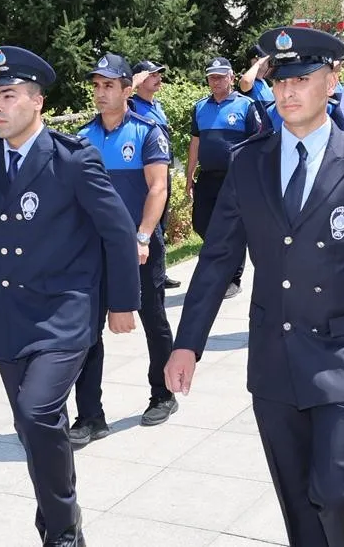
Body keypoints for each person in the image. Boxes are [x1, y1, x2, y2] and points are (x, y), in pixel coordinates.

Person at [166, 27, 344, 547]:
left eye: (302, 79)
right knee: (298, 505)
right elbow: (217, 259)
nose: (288, 92)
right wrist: (187, 342)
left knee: (337, 488)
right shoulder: (248, 162)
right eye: (279, 80)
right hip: (275, 356)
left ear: (332, 81)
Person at [0, 46, 141, 546]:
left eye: (9, 95)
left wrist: (122, 303)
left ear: (36, 102)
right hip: (11, 320)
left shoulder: (72, 160)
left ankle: (62, 531)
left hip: (64, 315)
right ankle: (59, 517)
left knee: (38, 414)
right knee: (32, 428)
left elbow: (118, 232)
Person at [68, 54, 178, 444]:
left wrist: (143, 236)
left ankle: (162, 394)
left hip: (139, 246)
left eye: (109, 85)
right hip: (94, 249)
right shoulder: (83, 137)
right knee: (87, 329)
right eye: (96, 86)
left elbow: (158, 188)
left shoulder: (147, 131)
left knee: (152, 318)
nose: (100, 93)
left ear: (127, 90)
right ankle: (90, 416)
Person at [189, 57, 263, 298]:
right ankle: (221, 262)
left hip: (235, 177)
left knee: (233, 227)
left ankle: (233, 278)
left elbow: (258, 143)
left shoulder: (246, 105)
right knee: (201, 223)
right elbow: (195, 143)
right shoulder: (200, 107)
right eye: (212, 77)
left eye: (221, 76)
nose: (216, 81)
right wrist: (189, 176)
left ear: (231, 77)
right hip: (208, 177)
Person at [128, 59, 181, 290]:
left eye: (159, 73)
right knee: (147, 223)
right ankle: (143, 276)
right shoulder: (131, 103)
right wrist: (132, 83)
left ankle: (159, 270)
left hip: (162, 169)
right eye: (152, 74)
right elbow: (115, 104)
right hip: (143, 172)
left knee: (161, 222)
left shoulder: (156, 105)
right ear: (139, 80)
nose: (158, 77)